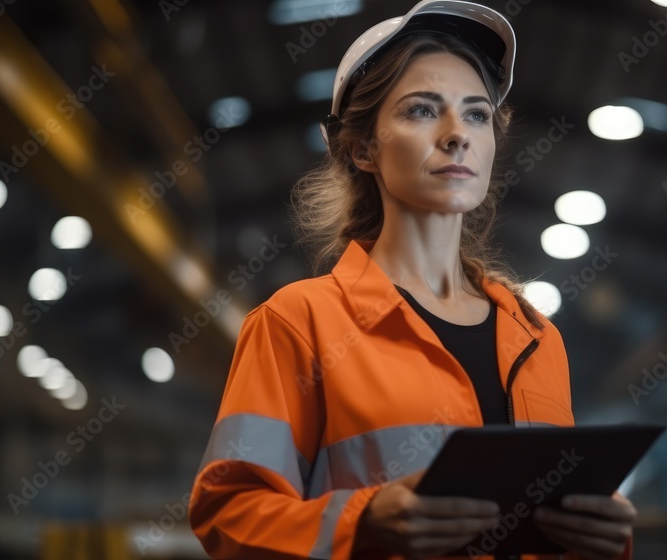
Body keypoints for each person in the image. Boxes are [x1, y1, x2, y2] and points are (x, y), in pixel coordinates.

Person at [188, 2, 636, 559]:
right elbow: (228, 516)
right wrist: (364, 522)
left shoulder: (537, 338)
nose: (457, 136)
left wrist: (601, 538)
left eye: (476, 114)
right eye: (423, 111)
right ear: (361, 148)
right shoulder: (299, 324)